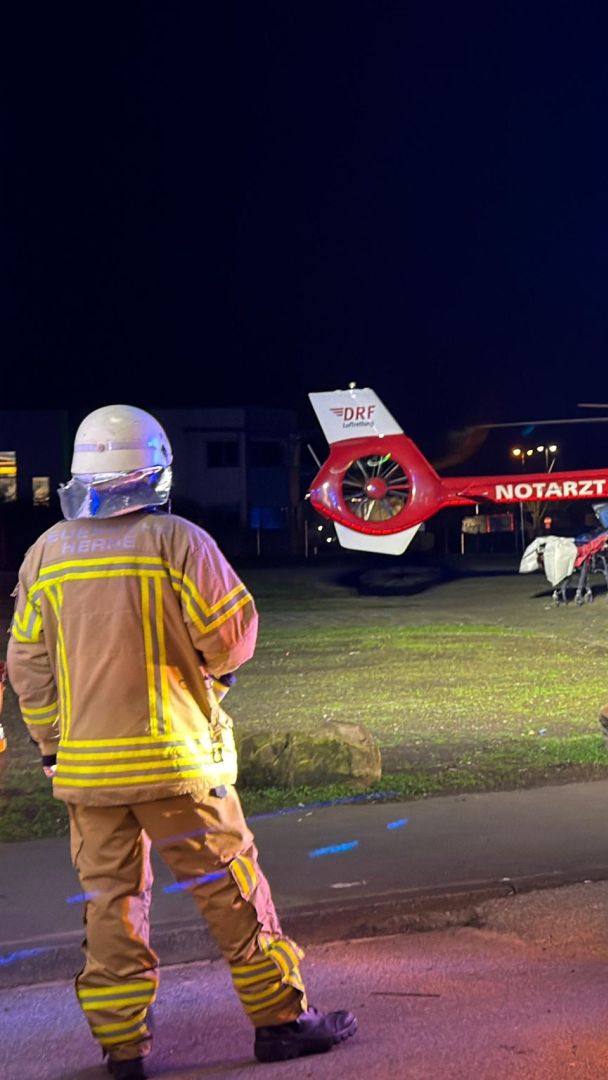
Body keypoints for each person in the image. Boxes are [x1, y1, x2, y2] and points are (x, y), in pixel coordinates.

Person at [5, 405, 356, 1079]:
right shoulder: (177, 541)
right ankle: (280, 1021)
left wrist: (52, 746)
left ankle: (124, 1049)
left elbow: (28, 668)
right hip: (178, 767)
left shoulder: (46, 553)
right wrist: (208, 680)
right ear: (156, 470)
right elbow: (232, 636)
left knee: (111, 909)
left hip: (89, 776)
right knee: (231, 893)